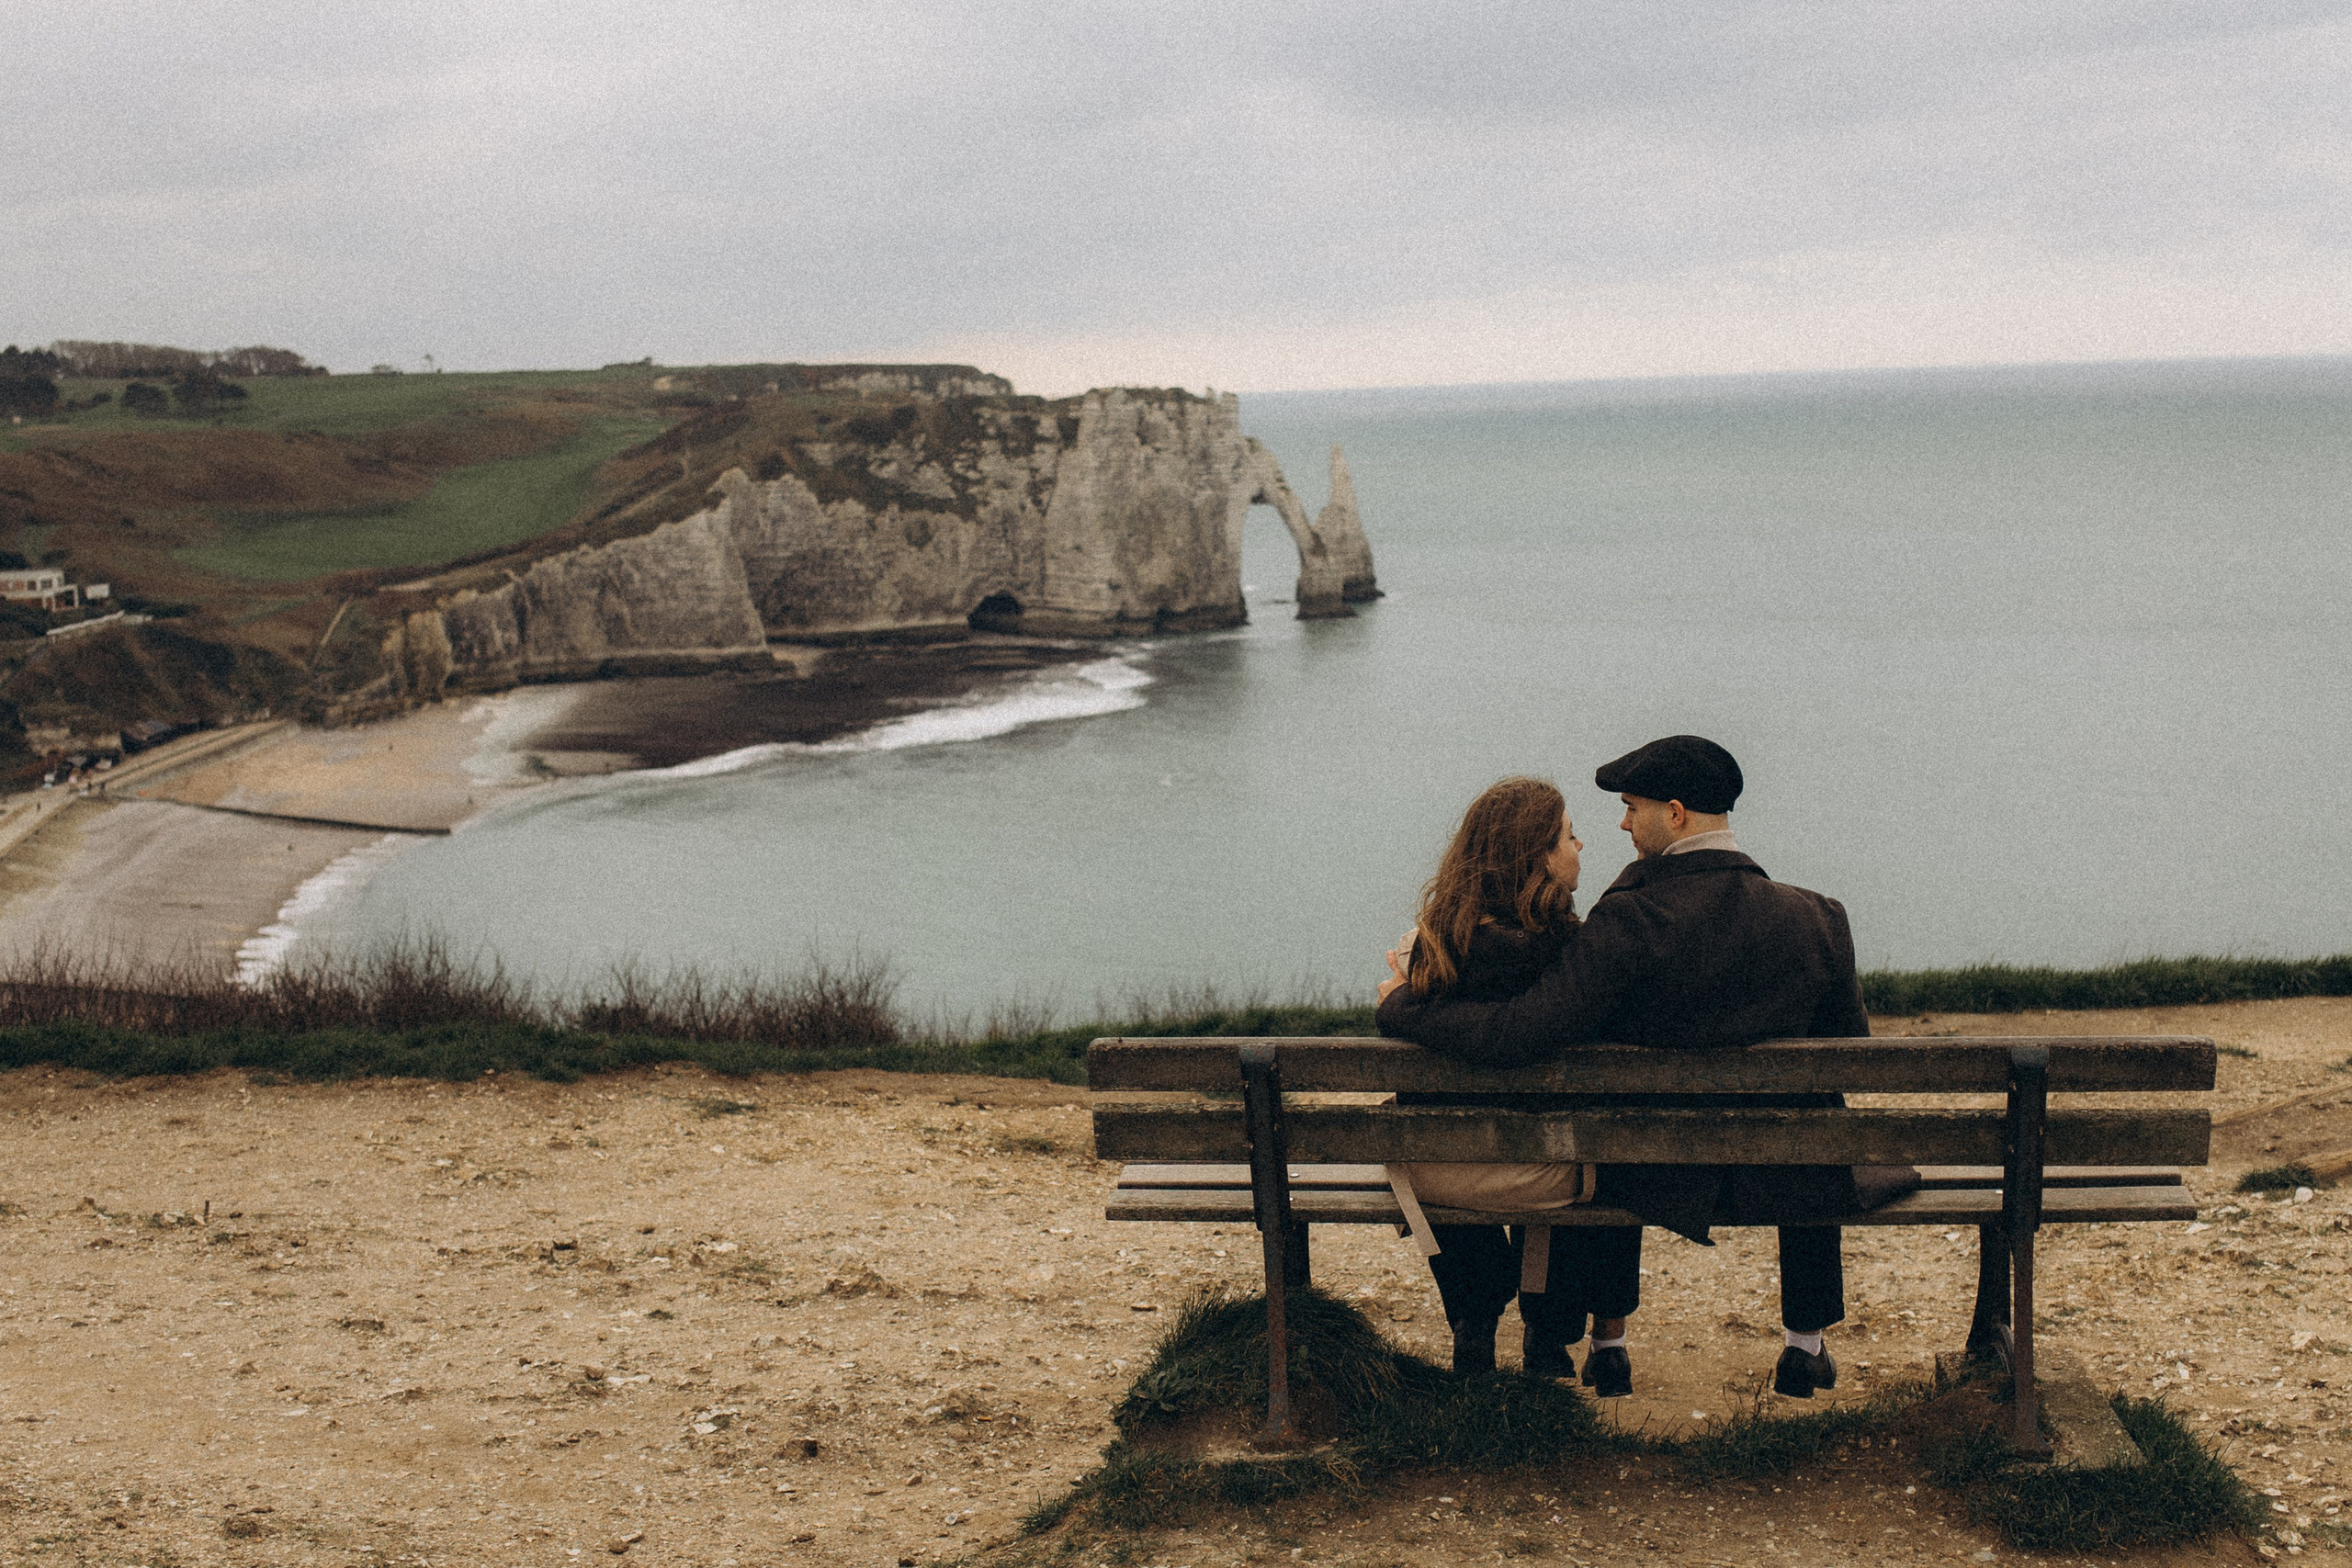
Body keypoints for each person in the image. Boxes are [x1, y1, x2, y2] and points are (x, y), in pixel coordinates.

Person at [1376, 736, 1917, 1399]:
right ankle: (1805, 1342)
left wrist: (1401, 1006)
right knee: (1816, 1119)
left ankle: (1609, 1343)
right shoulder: (1819, 917)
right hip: (1790, 1172)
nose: (1623, 823)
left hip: (1659, 1174)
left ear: (1676, 814)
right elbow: (1848, 1058)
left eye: (1632, 807)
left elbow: (1524, 1030)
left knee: (1614, 1122)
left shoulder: (1626, 920)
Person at [1374, 776, 1636, 1392]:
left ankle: (1474, 1318)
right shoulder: (1578, 957)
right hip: (1547, 1175)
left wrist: (1399, 1002)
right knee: (1581, 1146)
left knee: (1463, 1144)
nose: (1580, 844)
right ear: (1539, 856)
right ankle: (1549, 1327)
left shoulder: (1427, 952)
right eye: (1569, 835)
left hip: (1435, 1174)